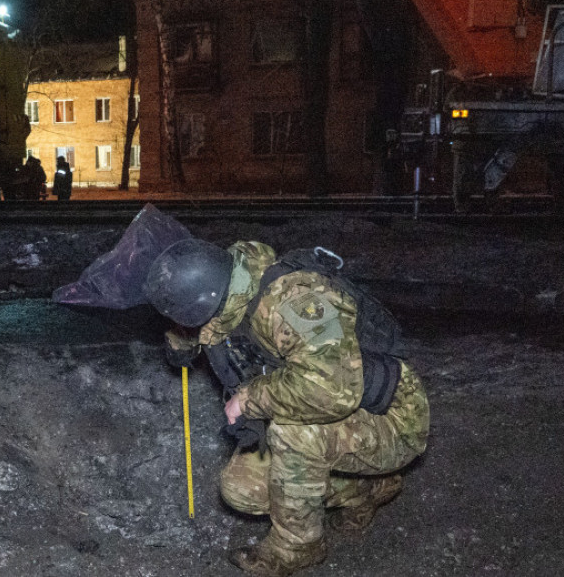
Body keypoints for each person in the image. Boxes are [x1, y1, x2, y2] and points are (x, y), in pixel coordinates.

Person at [146, 238, 429, 577]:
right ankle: (366, 488)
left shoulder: (296, 301)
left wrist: (249, 399)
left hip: (392, 416)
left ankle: (297, 549)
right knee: (242, 489)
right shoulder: (230, 289)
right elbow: (212, 325)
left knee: (293, 434)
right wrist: (182, 336)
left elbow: (332, 390)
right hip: (334, 411)